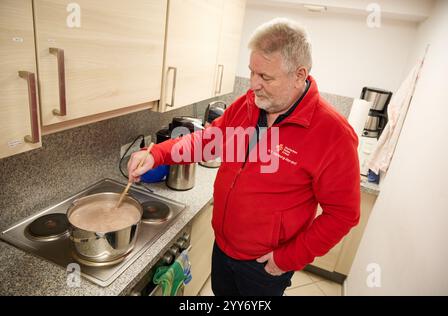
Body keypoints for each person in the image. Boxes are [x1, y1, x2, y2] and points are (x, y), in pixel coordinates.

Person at [128, 18, 360, 296]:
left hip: (265, 265)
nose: (253, 85)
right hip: (223, 246)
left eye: (265, 77)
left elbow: (343, 214)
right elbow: (208, 140)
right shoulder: (248, 104)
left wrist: (287, 259)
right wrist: (156, 154)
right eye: (251, 72)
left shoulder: (333, 133)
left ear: (299, 75)